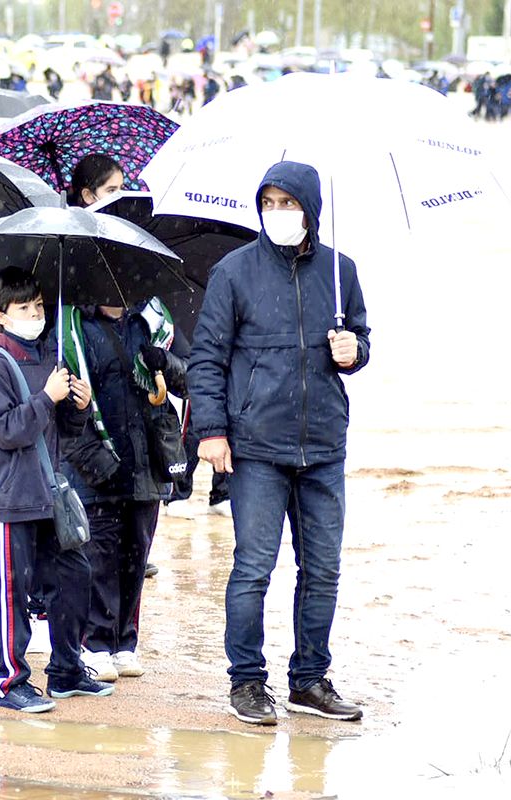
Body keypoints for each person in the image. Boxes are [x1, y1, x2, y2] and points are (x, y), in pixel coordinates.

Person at [189, 161, 370, 725]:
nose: (279, 214)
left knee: (323, 568)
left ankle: (310, 679)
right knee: (254, 568)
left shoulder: (341, 272)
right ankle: (246, 681)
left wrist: (354, 352)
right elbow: (207, 358)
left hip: (323, 445)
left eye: (289, 204)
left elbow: (361, 341)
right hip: (256, 447)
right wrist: (212, 431)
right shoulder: (233, 273)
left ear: (311, 209)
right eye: (269, 203)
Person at [64, 156, 185, 680]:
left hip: (146, 459)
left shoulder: (150, 320)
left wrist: (164, 365)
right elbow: (68, 391)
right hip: (96, 457)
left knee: (137, 552)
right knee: (100, 552)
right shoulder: (74, 324)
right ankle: (94, 639)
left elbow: (183, 380)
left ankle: (125, 641)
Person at [0, 267, 111, 713]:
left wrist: (78, 408)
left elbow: (59, 433)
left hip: (47, 491)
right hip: (10, 494)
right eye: (23, 308)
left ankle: (67, 669)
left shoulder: (49, 356)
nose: (34, 314)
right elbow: (7, 430)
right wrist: (47, 398)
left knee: (75, 574)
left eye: (38, 306)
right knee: (14, 586)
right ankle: (10, 681)